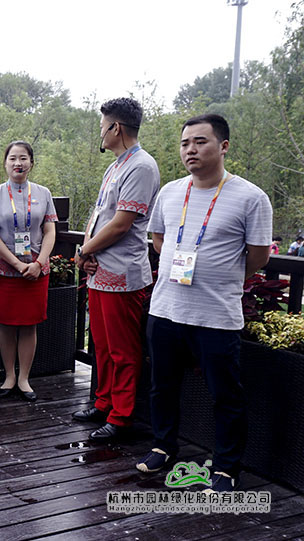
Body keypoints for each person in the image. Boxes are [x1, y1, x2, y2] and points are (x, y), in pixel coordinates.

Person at [137, 114, 272, 493]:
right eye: (185, 143)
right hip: (165, 310)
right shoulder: (170, 192)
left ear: (223, 146)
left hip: (216, 316)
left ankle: (226, 467)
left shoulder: (251, 198)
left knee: (226, 396)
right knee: (162, 387)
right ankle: (164, 446)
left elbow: (259, 256)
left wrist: (220, 274)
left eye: (200, 142)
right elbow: (159, 239)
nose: (190, 150)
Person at [72, 98, 160, 441]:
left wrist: (85, 251)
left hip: (123, 274)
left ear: (116, 127)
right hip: (99, 270)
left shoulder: (141, 166)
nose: (101, 133)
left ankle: (121, 417)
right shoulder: (116, 166)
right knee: (103, 345)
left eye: (102, 127)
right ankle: (103, 402)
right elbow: (99, 215)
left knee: (123, 350)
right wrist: (84, 252)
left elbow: (121, 224)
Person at [0, 141, 57, 401]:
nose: (18, 163)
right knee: (6, 324)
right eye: (12, 158)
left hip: (36, 271)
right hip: (5, 271)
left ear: (31, 163)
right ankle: (9, 376)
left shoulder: (43, 193)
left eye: (23, 158)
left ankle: (24, 377)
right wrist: (16, 264)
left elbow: (50, 231)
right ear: (5, 163)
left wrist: (39, 263)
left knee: (29, 325)